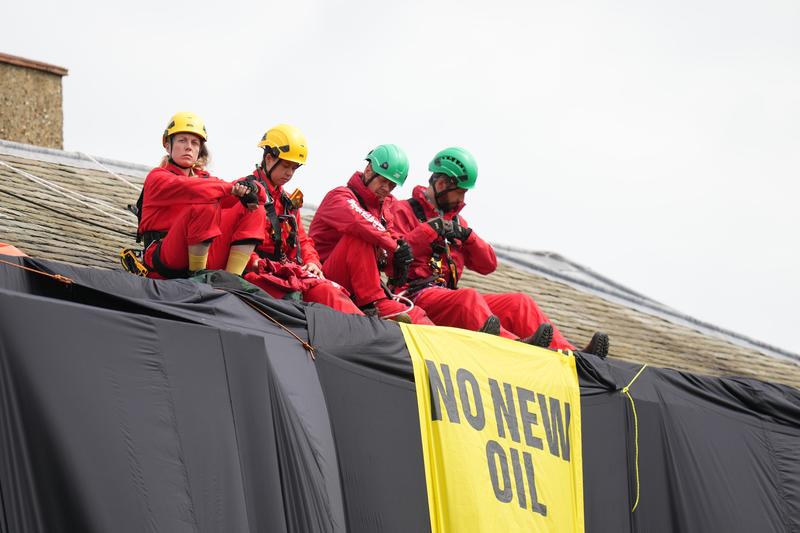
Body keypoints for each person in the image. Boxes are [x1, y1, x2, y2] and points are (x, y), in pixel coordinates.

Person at [389, 146, 609, 356]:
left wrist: (468, 237)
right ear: (442, 183)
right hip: (414, 296)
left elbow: (488, 265)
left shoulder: (457, 222)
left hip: (447, 297)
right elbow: (392, 256)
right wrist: (429, 230)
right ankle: (515, 346)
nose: (462, 199)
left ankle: (571, 355)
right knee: (468, 298)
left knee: (520, 303)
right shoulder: (401, 210)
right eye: (459, 192)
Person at [239, 124, 364, 314]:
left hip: (287, 273)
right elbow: (239, 240)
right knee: (325, 292)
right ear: (269, 158)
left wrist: (312, 262)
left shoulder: (288, 201)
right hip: (260, 274)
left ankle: (366, 327)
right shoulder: (247, 191)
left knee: (331, 290)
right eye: (286, 166)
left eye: (294, 168)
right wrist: (259, 264)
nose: (289, 173)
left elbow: (302, 240)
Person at [309, 144, 434, 324]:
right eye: (383, 181)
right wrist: (395, 247)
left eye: (391, 185)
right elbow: (360, 223)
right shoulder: (339, 197)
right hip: (327, 280)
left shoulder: (385, 208)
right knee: (361, 235)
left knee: (417, 316)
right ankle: (373, 308)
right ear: (369, 171)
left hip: (362, 289)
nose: (386, 188)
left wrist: (397, 261)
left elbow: (385, 249)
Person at [137, 112, 266, 279]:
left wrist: (252, 188)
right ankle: (197, 278)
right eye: (182, 140)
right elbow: (194, 189)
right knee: (205, 202)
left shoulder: (206, 180)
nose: (189, 147)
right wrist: (233, 188)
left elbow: (260, 198)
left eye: (195, 143)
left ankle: (230, 280)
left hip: (200, 252)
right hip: (166, 257)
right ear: (168, 145)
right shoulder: (157, 177)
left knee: (254, 209)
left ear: (199, 150)